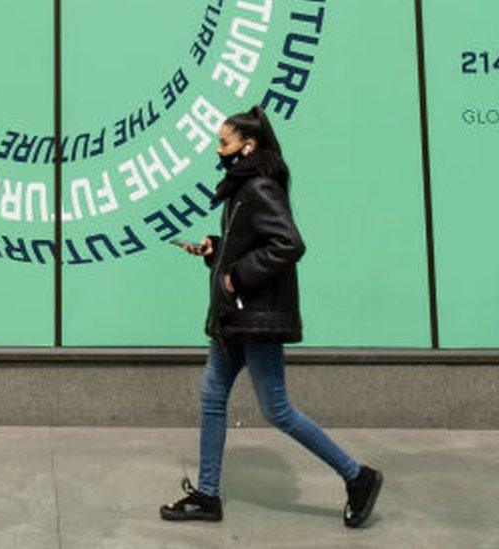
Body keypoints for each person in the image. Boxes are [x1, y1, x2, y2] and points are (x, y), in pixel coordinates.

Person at [159, 105, 383, 528]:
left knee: (277, 410)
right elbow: (252, 241)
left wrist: (236, 278)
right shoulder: (243, 188)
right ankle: (207, 495)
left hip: (254, 320)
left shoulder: (259, 187)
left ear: (249, 145)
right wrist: (217, 249)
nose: (218, 149)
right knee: (211, 398)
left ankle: (359, 476)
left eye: (224, 143)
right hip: (236, 319)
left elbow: (288, 244)